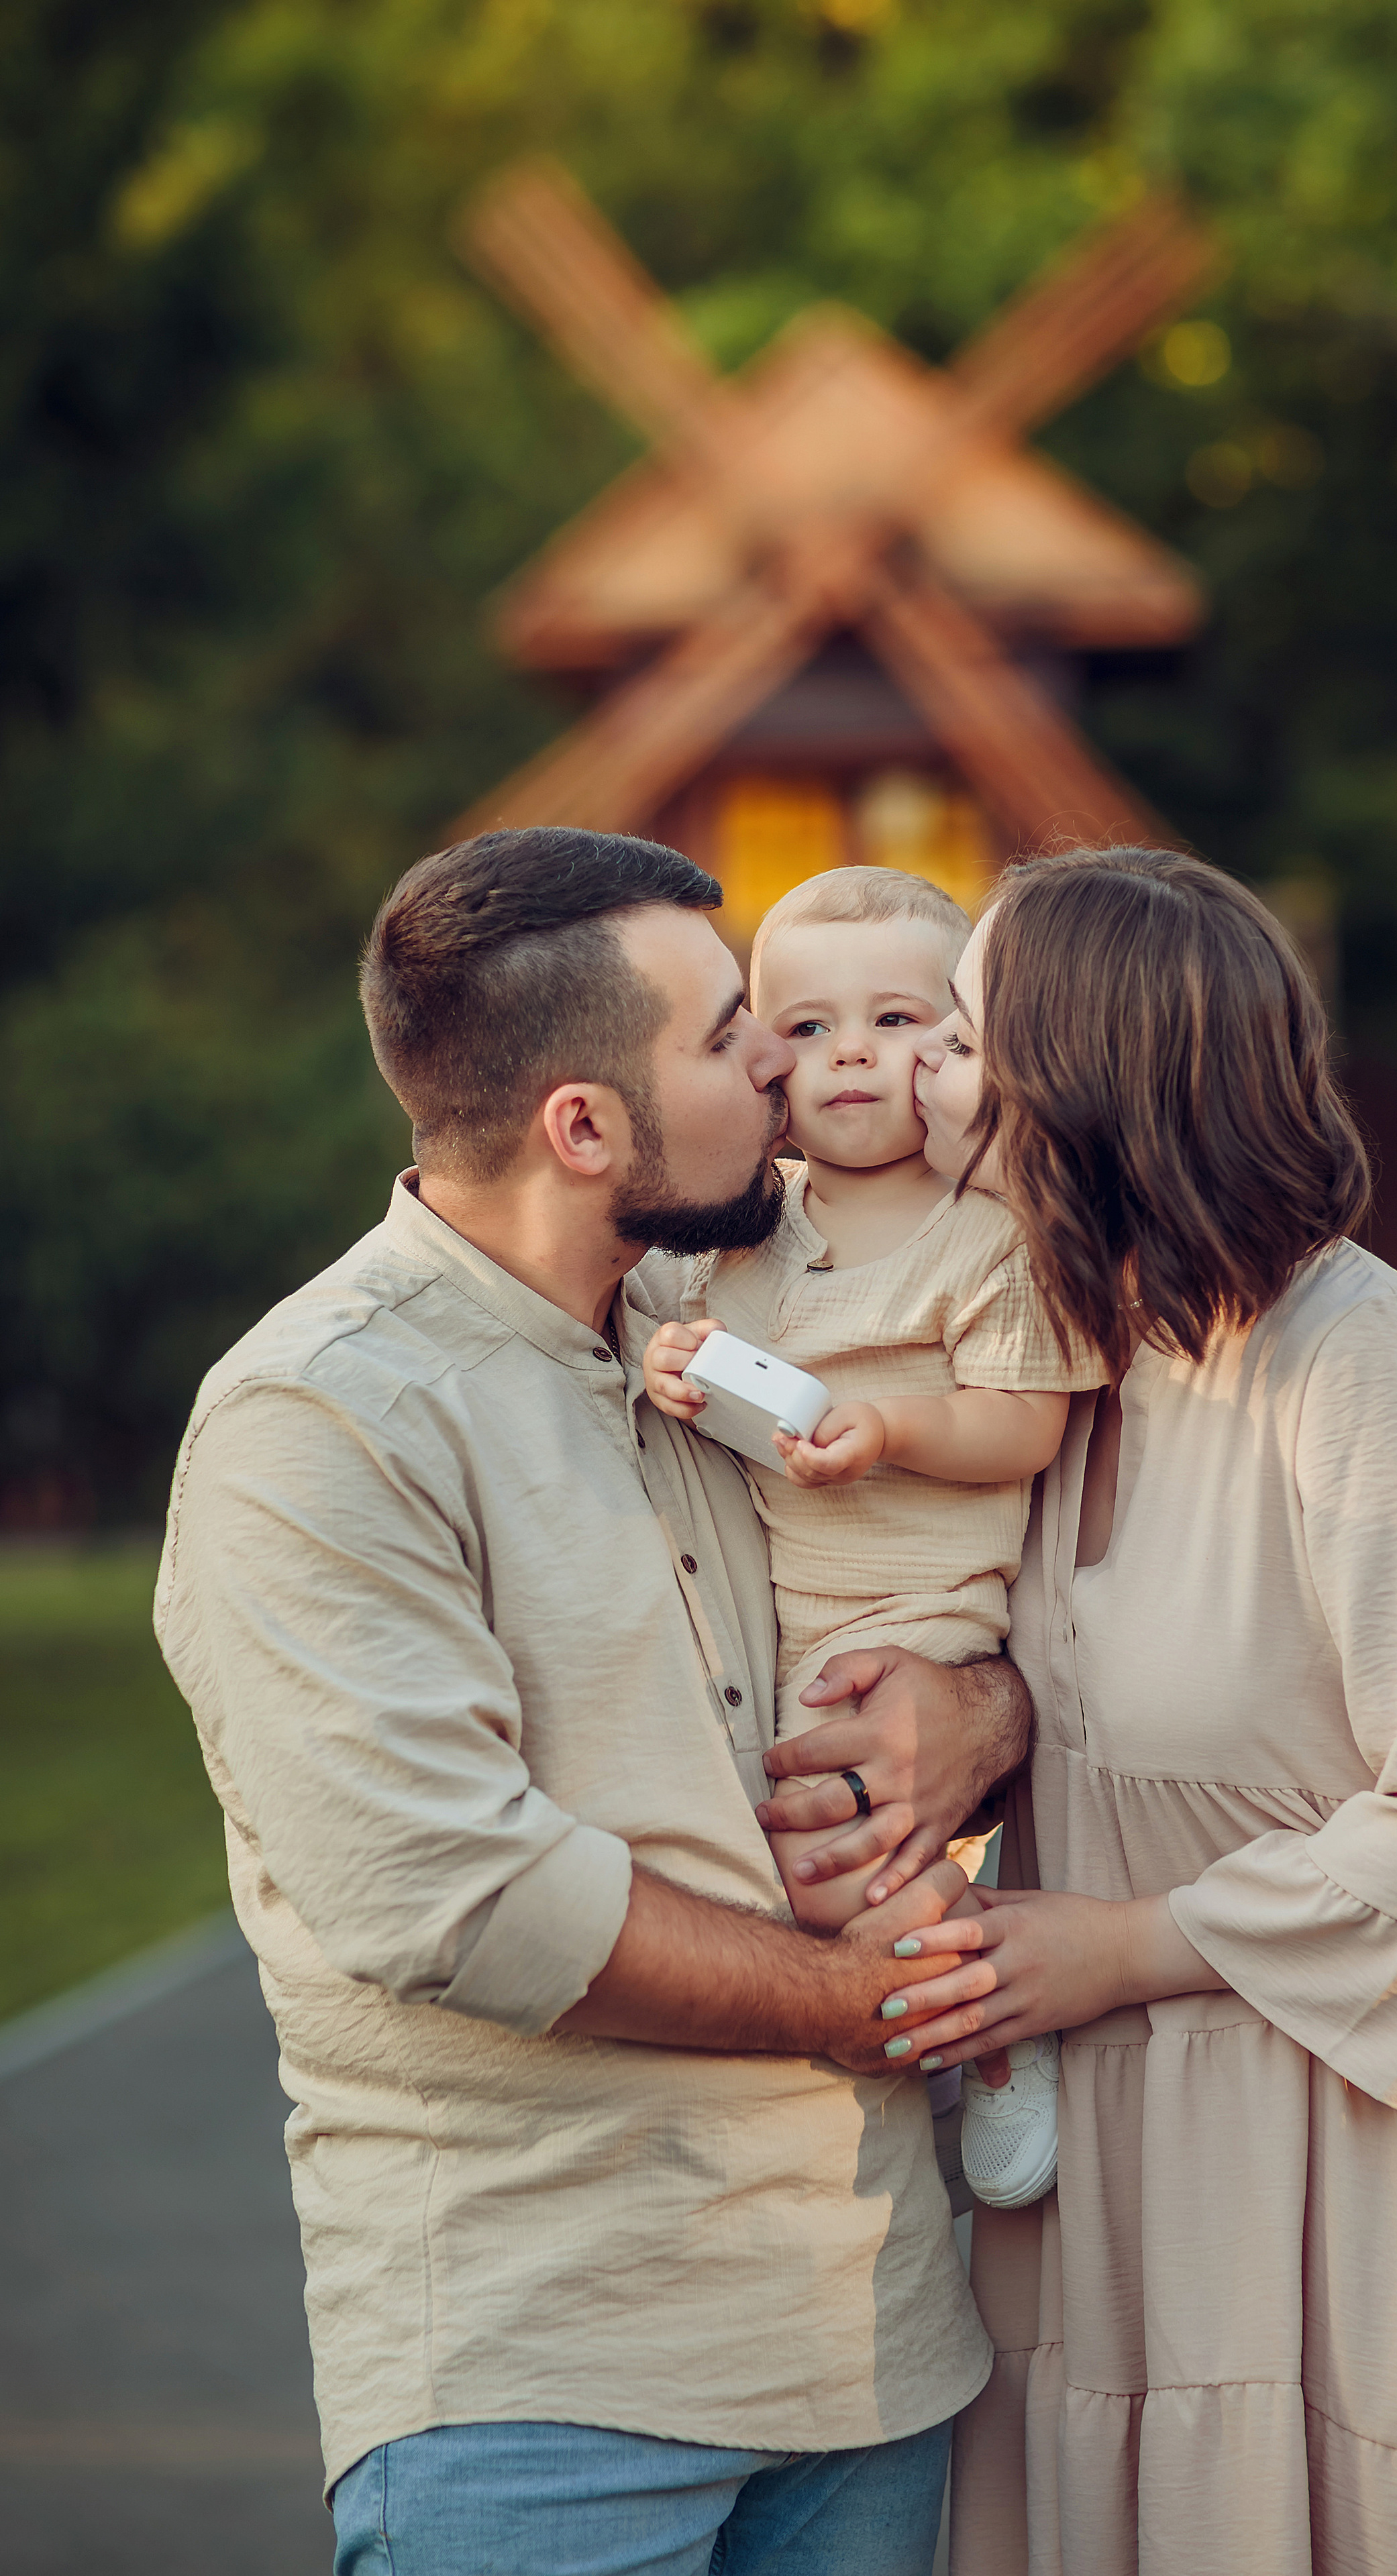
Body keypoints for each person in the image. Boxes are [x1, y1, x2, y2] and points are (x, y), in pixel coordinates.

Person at [766, 847, 1397, 2574]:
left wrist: (1118, 1948)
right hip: (1146, 2159)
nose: (913, 1076)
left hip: (1391, 2131)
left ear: (1082, 1087)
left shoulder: (1351, 1355)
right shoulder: (1061, 1361)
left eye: (961, 1040)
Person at [154, 826, 1026, 2576]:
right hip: (541, 2391)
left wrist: (979, 1710)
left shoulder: (737, 1330)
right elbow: (452, 1895)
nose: (784, 1062)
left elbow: (979, 1573)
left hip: (873, 2354)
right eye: (727, 1037)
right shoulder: (319, 1421)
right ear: (583, 1125)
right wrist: (855, 1998)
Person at [641, 865, 1102, 2210]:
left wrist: (889, 1428)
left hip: (923, 1614)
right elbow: (675, 1351)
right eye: (804, 1025)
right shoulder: (741, 1236)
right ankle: (947, 1993)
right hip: (791, 1617)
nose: (850, 1052)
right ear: (760, 1060)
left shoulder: (986, 1237)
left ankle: (1000, 2022)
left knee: (840, 1860)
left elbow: (1022, 1423)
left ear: (964, 1053)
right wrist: (679, 1367)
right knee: (798, 1864)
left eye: (900, 1021)